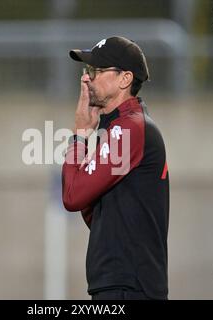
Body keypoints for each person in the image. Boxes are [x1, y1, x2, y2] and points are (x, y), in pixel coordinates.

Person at [62, 36, 170, 300]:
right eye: (88, 71)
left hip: (129, 287)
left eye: (97, 71)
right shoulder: (117, 128)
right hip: (121, 285)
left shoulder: (129, 127)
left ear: (125, 79)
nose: (87, 79)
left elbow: (73, 196)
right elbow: (93, 210)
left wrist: (80, 134)